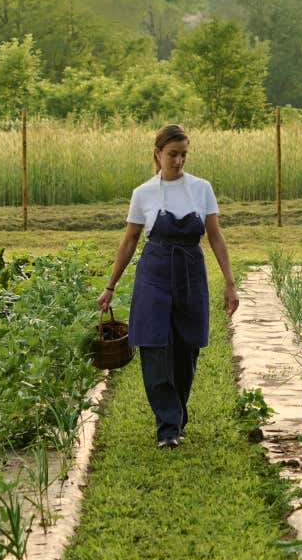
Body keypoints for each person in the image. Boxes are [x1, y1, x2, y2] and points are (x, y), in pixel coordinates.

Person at [97, 124, 239, 449]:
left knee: (187, 349)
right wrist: (110, 286)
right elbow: (130, 240)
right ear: (158, 154)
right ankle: (168, 428)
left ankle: (175, 416)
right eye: (172, 155)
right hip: (154, 275)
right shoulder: (143, 193)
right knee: (154, 347)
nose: (178, 162)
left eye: (183, 155)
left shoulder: (202, 189)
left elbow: (215, 236)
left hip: (191, 272)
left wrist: (230, 284)